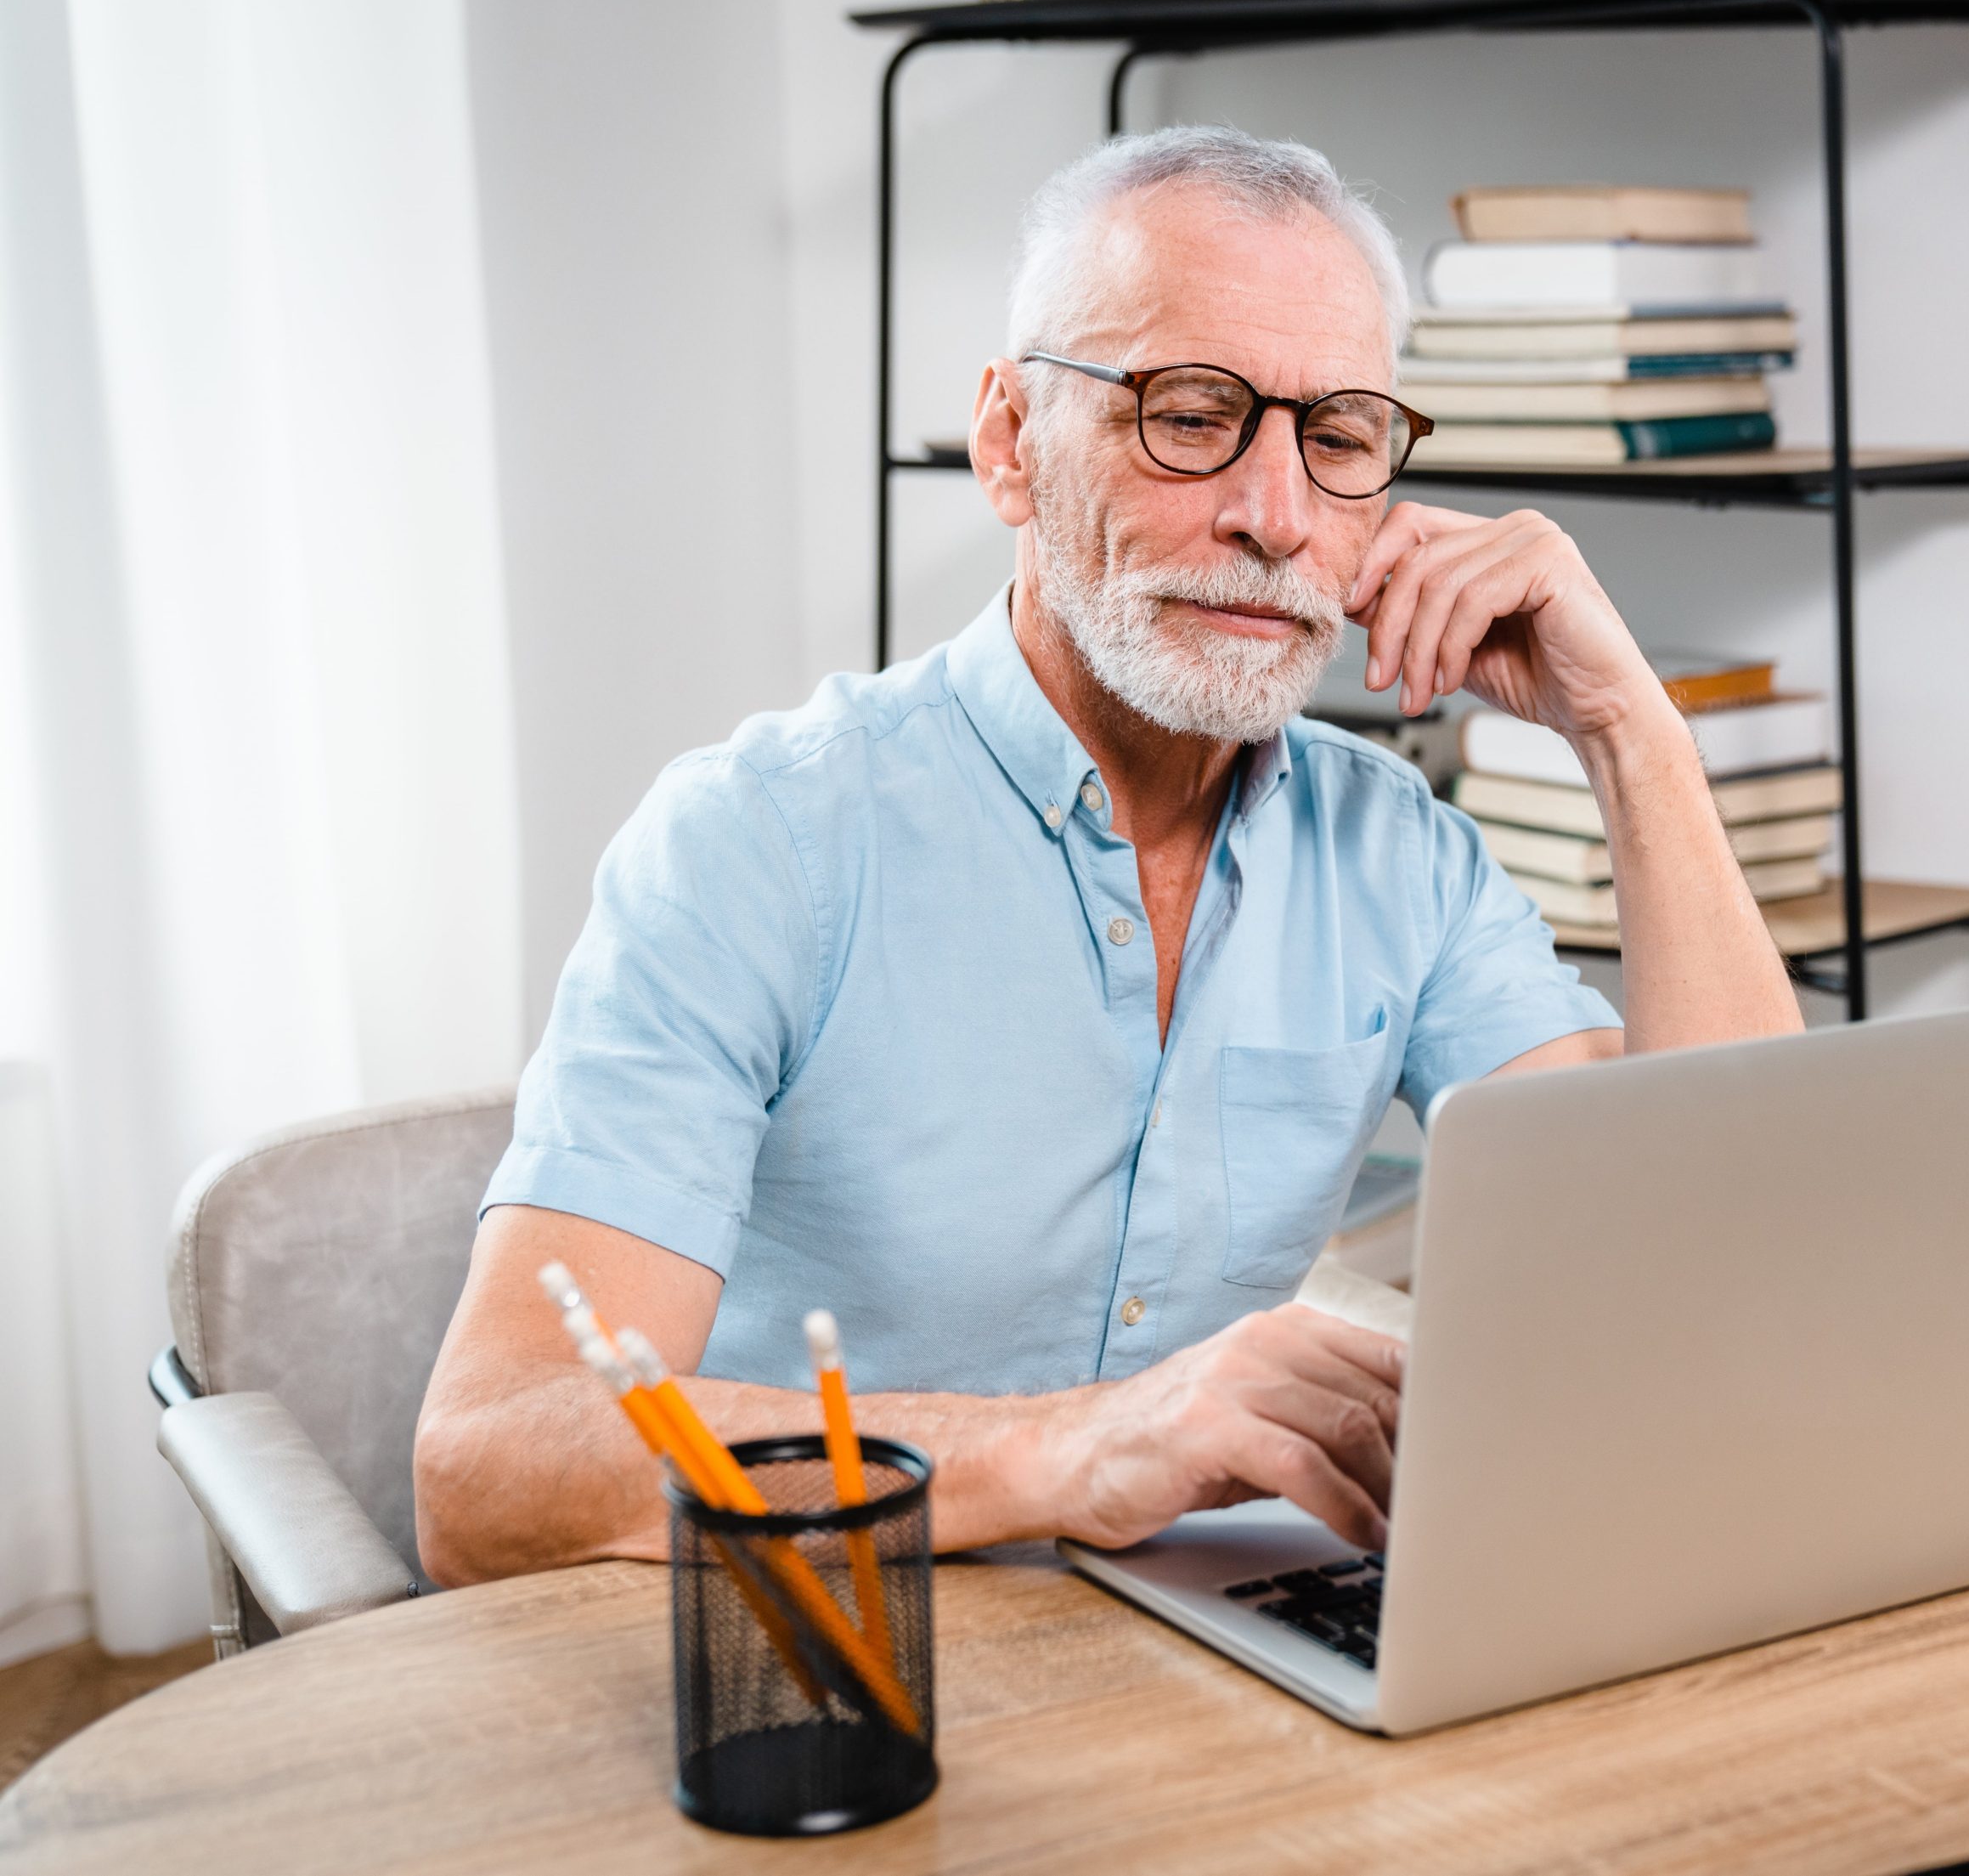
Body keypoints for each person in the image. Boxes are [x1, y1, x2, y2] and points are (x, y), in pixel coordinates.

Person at [413, 127, 1801, 1585]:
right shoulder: (760, 843)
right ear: (1009, 444)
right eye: (1192, 416)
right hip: (820, 1680)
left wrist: (1630, 733)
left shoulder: (1402, 860)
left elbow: (1724, 1254)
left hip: (1201, 1669)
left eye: (1335, 440)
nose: (1276, 518)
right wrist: (1074, 1449)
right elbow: (492, 1464)